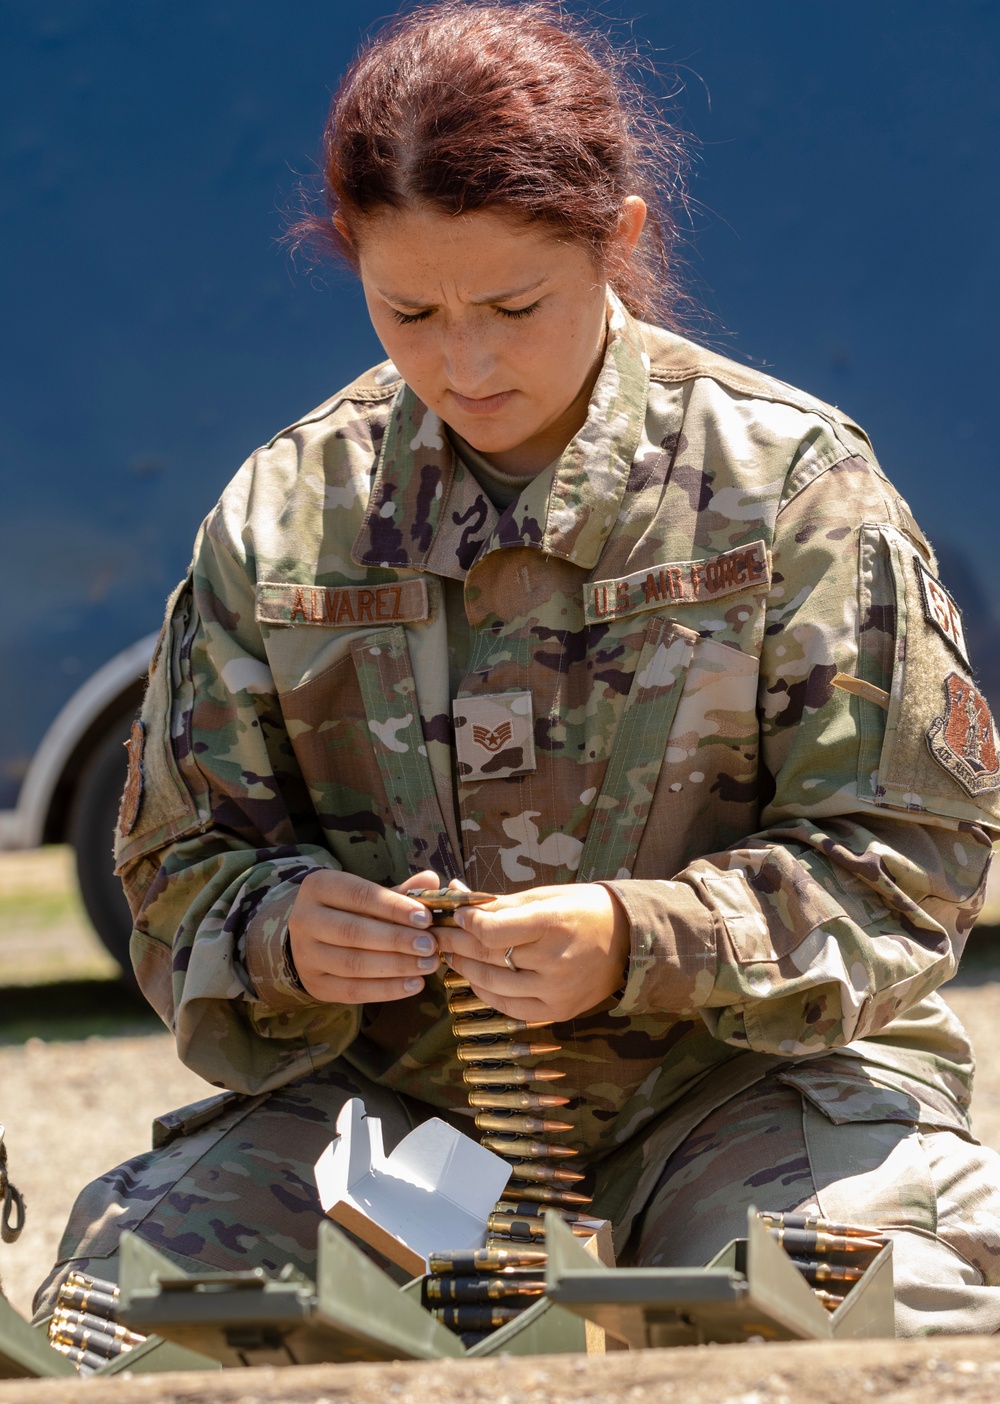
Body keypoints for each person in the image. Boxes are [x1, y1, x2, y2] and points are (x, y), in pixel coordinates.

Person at [37, 0, 1000, 1336]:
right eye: (408, 309)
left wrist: (637, 938)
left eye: (513, 303)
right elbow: (175, 872)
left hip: (742, 1089)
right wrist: (286, 932)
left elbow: (909, 854)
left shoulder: (786, 489)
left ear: (621, 241)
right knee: (118, 1317)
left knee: (886, 1306)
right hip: (394, 1123)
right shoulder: (281, 515)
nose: (465, 361)